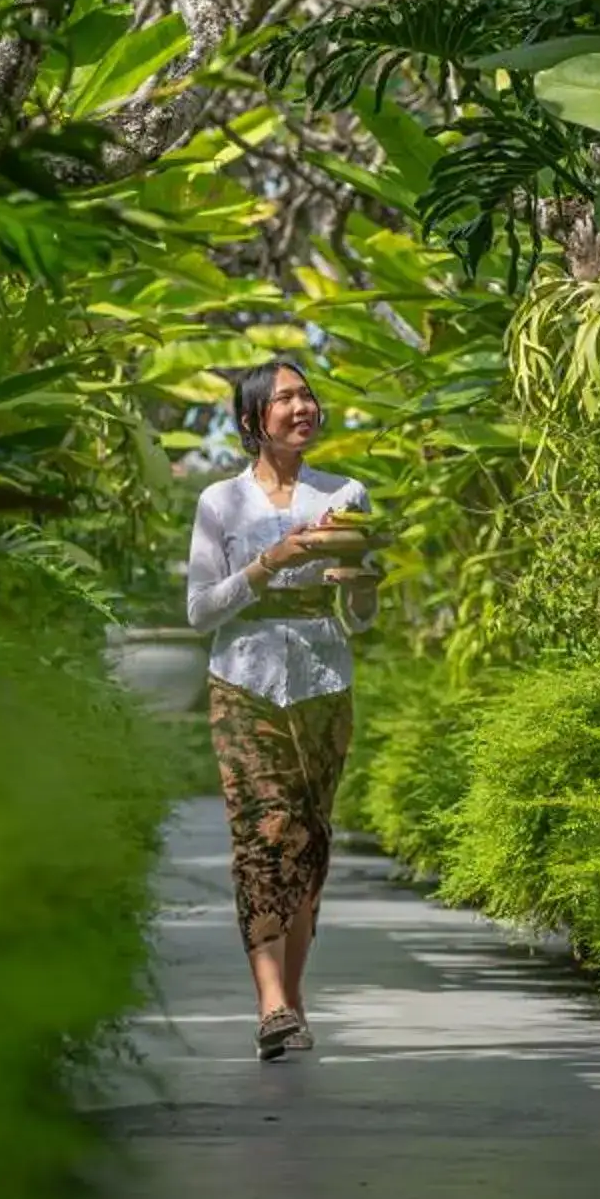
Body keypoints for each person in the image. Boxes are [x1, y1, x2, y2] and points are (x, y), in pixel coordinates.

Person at [183, 357, 378, 1059]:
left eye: (308, 397)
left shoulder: (345, 492)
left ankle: (292, 999)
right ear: (251, 422)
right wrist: (271, 562)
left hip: (324, 677)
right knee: (261, 837)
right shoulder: (220, 504)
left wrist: (359, 584)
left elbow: (359, 617)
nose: (303, 408)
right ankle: (269, 1005)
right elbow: (201, 610)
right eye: (286, 399)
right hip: (243, 679)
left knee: (309, 837)